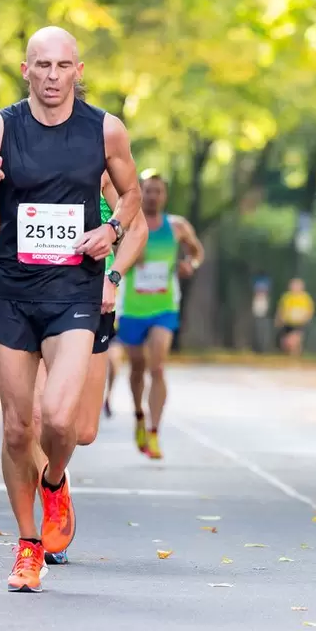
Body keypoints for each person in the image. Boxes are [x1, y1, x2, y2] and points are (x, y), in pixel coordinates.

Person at [0, 25, 140, 593]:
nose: (52, 76)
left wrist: (109, 229)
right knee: (16, 429)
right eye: (42, 66)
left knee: (59, 420)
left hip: (74, 293)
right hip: (12, 293)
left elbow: (129, 198)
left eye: (63, 66)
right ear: (25, 70)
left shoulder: (105, 129)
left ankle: (54, 480)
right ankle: (28, 544)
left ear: (79, 71)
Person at [0, 168, 148, 564]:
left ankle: (55, 477)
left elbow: (136, 228)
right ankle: (40, 527)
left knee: (81, 429)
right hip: (29, 303)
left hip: (89, 305)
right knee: (33, 417)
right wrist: (0, 260)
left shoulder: (99, 167)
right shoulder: (20, 168)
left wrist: (114, 279)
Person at [118, 174, 204, 460]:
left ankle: (154, 432)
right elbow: (110, 253)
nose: (153, 196)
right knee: (137, 367)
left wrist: (189, 264)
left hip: (164, 308)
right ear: (140, 192)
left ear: (165, 195)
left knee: (157, 367)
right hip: (132, 309)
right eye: (148, 191)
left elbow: (196, 251)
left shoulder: (177, 226)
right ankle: (139, 416)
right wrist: (127, 256)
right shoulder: (129, 224)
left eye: (158, 191)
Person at [275, 278, 314, 356]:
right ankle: (288, 355)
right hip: (287, 323)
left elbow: (310, 311)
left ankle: (296, 355)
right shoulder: (287, 297)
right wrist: (279, 319)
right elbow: (281, 309)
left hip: (299, 323)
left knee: (294, 341)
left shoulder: (305, 297)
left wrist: (306, 319)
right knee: (285, 343)